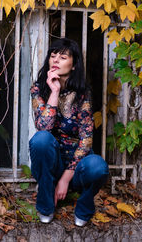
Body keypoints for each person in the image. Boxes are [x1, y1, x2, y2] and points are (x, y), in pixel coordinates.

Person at [29, 38, 109, 227]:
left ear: (73, 65)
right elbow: (43, 127)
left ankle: (83, 208)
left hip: (77, 167)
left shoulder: (83, 94)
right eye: (53, 56)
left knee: (99, 167)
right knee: (41, 140)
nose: (55, 60)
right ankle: (46, 205)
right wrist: (54, 92)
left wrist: (65, 179)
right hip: (51, 163)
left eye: (63, 57)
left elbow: (86, 139)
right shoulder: (39, 88)